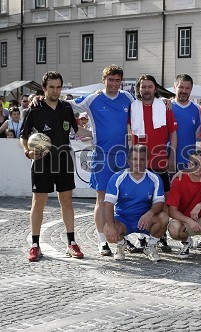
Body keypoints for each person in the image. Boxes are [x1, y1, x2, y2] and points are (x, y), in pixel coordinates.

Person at [20, 71, 92, 262]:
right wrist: (27, 151)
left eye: (58, 87)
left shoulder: (67, 108)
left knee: (67, 202)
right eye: (51, 87)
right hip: (42, 162)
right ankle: (35, 245)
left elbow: (78, 131)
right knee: (38, 203)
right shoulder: (34, 110)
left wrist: (102, 134)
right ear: (44, 88)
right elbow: (23, 137)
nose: (55, 90)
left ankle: (71, 243)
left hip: (63, 159)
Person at [69, 65, 135, 256]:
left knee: (122, 197)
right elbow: (68, 105)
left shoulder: (127, 98)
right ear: (103, 80)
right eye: (110, 80)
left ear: (120, 81)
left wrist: (164, 101)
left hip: (123, 155)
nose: (114, 84)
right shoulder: (93, 98)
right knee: (102, 198)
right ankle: (101, 241)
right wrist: (40, 98)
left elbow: (144, 107)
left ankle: (121, 236)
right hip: (102, 155)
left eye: (117, 80)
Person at [130, 74, 178, 252]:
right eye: (143, 87)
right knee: (142, 199)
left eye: (149, 87)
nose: (146, 90)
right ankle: (142, 236)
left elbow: (173, 132)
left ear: (155, 88)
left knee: (162, 199)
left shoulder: (165, 107)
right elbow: (129, 132)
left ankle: (161, 235)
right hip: (139, 162)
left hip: (159, 161)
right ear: (139, 89)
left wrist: (171, 155)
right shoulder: (132, 107)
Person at [103, 145, 169, 262]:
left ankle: (151, 246)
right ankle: (121, 244)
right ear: (129, 161)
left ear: (147, 161)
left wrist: (150, 213)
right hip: (124, 219)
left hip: (145, 220)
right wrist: (112, 227)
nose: (138, 163)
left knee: (163, 217)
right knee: (108, 229)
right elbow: (108, 205)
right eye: (134, 159)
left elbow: (160, 202)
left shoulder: (155, 178)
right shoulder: (117, 178)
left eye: (142, 159)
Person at [171, 74, 201, 170]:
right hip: (169, 160)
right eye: (181, 87)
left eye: (187, 88)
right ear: (174, 87)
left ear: (191, 90)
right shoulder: (166, 106)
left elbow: (197, 133)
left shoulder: (197, 109)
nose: (184, 91)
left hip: (189, 161)